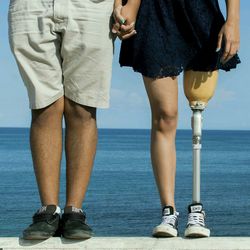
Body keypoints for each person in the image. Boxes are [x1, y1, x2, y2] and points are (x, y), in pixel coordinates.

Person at [113, 0, 240, 237]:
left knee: (198, 107)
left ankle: (197, 209)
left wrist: (233, 20)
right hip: (153, 13)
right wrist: (125, 4)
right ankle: (168, 211)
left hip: (201, 11)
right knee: (165, 116)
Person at [8, 0, 114, 240]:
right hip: (30, 5)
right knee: (44, 106)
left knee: (83, 107)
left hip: (93, 6)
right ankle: (49, 209)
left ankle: (74, 211)